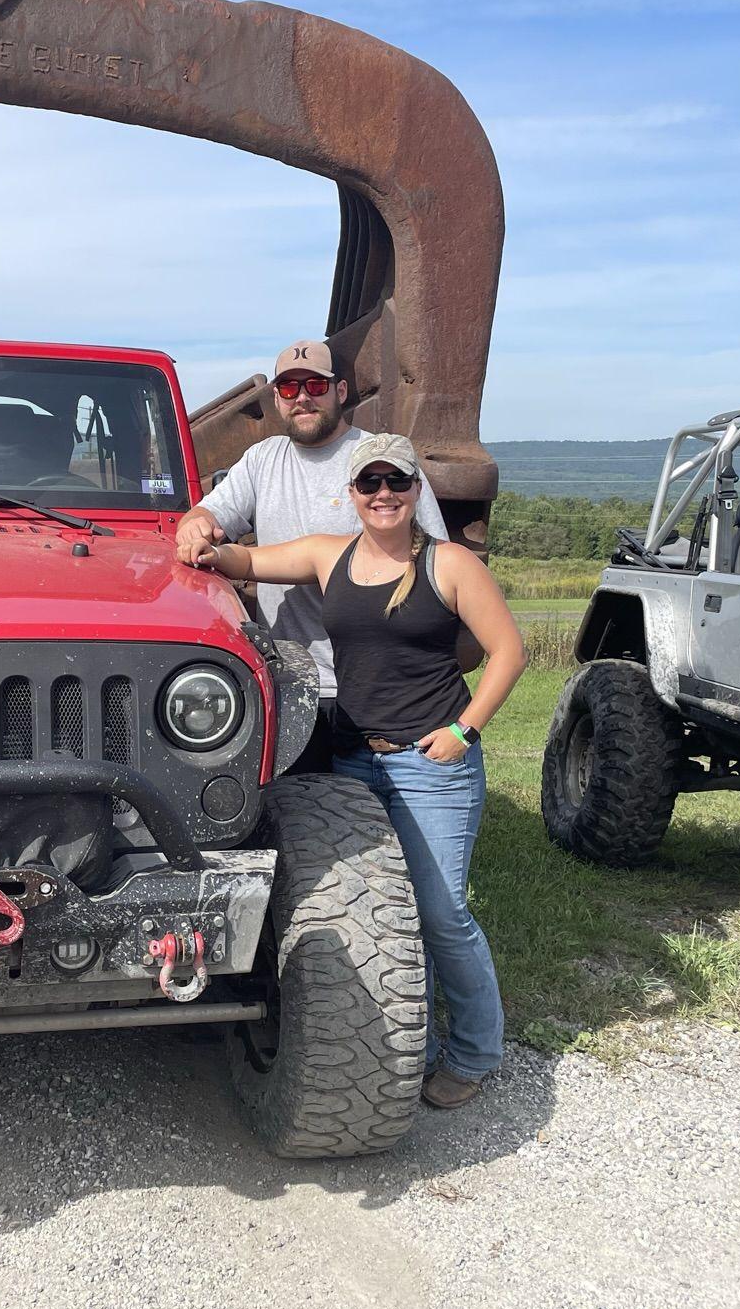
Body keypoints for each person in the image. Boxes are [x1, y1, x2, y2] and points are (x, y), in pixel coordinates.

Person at [194, 433, 527, 1111]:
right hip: (354, 761)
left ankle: (474, 1053)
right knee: (383, 911)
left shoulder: (449, 563)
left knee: (441, 913)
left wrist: (464, 731)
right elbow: (246, 558)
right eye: (370, 483)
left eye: (396, 482)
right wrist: (201, 539)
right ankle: (412, 1049)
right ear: (351, 494)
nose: (383, 494)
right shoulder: (330, 555)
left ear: (415, 490)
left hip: (430, 766)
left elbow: (508, 651)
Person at [175, 338, 451, 759]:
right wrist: (194, 527)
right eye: (289, 388)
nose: (302, 397)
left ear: (340, 391)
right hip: (290, 682)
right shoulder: (262, 460)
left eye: (316, 386)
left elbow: (436, 562)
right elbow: (206, 515)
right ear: (277, 399)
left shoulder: (378, 462)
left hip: (379, 687)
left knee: (382, 796)